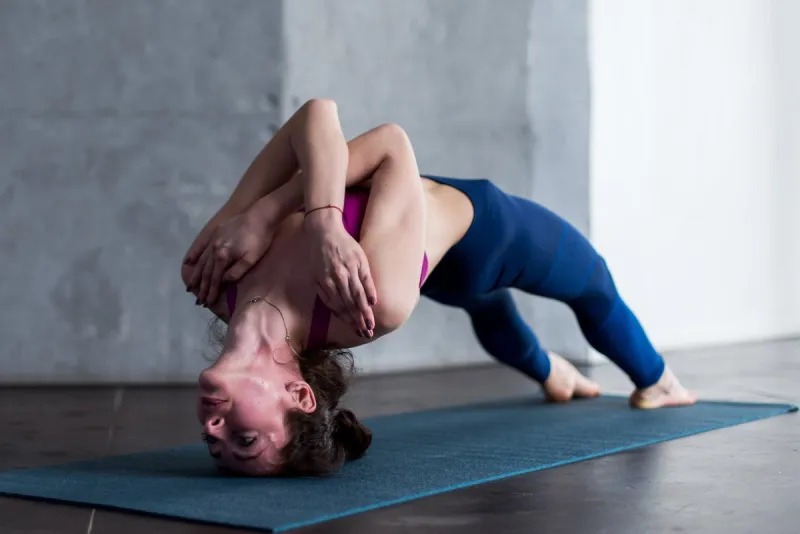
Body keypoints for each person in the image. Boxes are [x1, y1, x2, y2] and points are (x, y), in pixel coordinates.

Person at [181, 99, 696, 478]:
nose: (211, 431)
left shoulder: (214, 273)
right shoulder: (370, 301)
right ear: (299, 394)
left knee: (489, 310)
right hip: (485, 236)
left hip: (420, 247)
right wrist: (318, 222)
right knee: (592, 284)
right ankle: (659, 382)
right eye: (242, 439)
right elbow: (389, 145)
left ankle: (551, 373)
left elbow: (314, 117)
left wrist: (264, 213)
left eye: (213, 445)